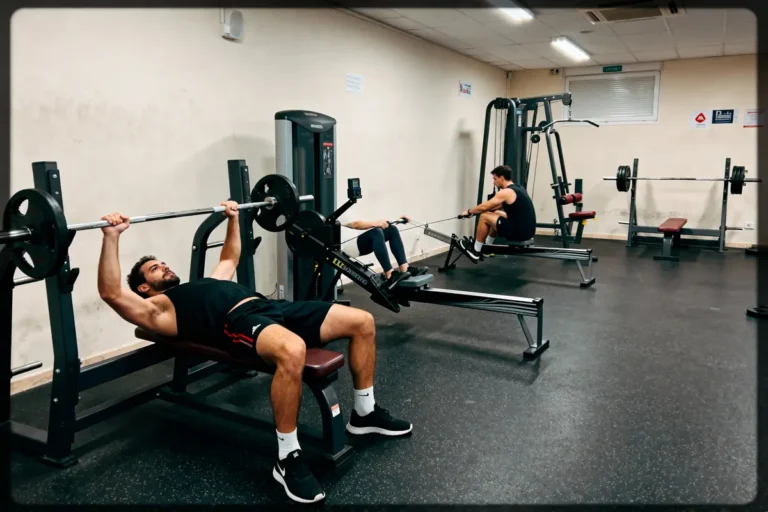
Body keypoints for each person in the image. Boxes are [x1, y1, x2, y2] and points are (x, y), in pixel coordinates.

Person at [97, 200, 412, 504]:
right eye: (155, 268)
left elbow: (230, 260)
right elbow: (112, 293)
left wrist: (233, 219)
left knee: (362, 321)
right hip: (239, 321)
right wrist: (112, 237)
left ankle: (364, 413)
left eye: (163, 263)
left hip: (272, 307)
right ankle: (288, 458)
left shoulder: (201, 283)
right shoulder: (160, 309)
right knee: (292, 349)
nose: (164, 266)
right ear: (144, 288)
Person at [458, 165, 537, 261]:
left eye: (495, 179)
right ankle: (487, 246)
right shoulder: (518, 188)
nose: (494, 182)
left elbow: (485, 206)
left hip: (519, 233)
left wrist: (469, 211)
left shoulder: (506, 192)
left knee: (484, 216)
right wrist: (473, 213)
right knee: (496, 213)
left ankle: (476, 250)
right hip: (528, 231)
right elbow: (496, 207)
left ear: (502, 178)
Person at [341, 215, 428, 288]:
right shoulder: (332, 205)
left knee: (392, 229)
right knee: (376, 232)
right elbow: (356, 224)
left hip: (356, 240)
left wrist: (398, 220)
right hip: (345, 245)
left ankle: (405, 269)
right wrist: (376, 223)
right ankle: (389, 276)